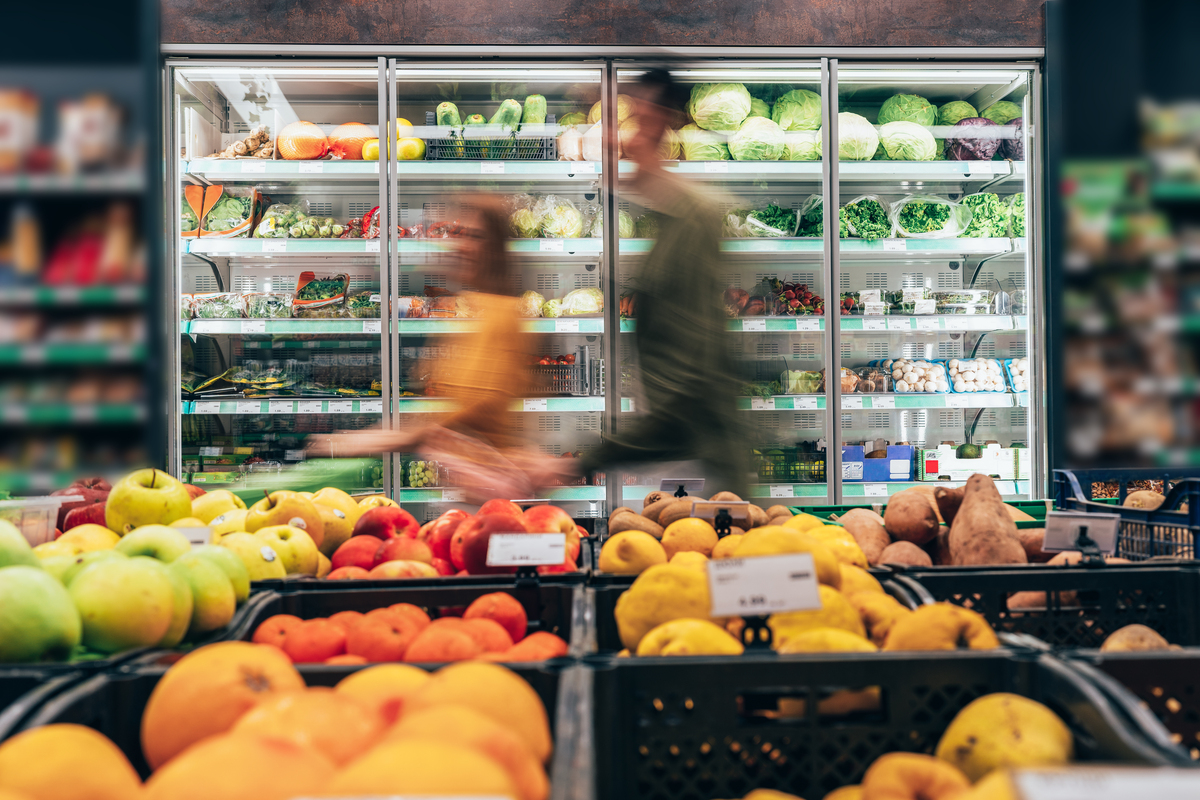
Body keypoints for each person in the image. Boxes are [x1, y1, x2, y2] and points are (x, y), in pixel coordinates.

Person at [310, 194, 553, 500]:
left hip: (498, 497)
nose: (459, 246)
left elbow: (464, 414)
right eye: (456, 234)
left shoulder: (500, 318)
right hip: (478, 492)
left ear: (495, 249)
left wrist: (374, 440)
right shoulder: (473, 310)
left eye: (473, 237)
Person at [578, 69, 749, 495]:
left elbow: (686, 380)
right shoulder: (669, 216)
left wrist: (589, 459)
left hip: (707, 466)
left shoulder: (693, 218)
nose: (620, 138)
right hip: (681, 457)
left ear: (661, 127)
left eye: (636, 119)